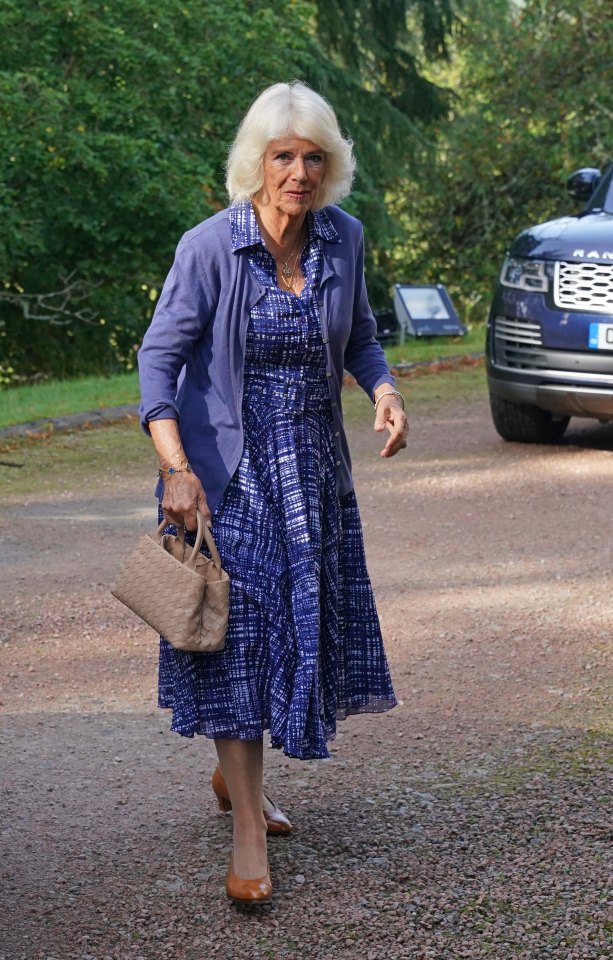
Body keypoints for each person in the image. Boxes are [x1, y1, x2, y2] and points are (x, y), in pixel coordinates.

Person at [138, 81, 408, 905]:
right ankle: (250, 827)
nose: (298, 172)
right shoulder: (210, 246)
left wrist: (384, 389)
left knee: (290, 635)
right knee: (237, 643)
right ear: (256, 163)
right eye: (283, 156)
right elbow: (157, 362)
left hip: (314, 477)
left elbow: (359, 333)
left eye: (313, 157)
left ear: (331, 167)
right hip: (224, 478)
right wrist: (176, 469)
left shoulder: (343, 239)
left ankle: (234, 778)